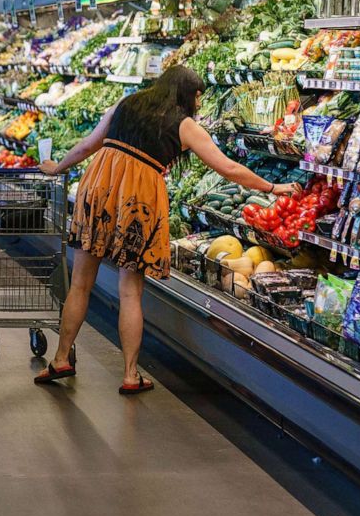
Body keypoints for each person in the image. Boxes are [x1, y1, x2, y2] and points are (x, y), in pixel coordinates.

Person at [34, 65, 301, 394]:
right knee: (131, 291)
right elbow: (229, 168)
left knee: (80, 284)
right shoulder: (184, 124)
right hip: (138, 198)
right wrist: (273, 188)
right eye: (198, 96)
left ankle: (61, 358)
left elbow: (87, 146)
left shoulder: (126, 103)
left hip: (99, 185)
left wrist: (57, 167)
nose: (200, 103)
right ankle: (130, 375)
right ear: (186, 93)